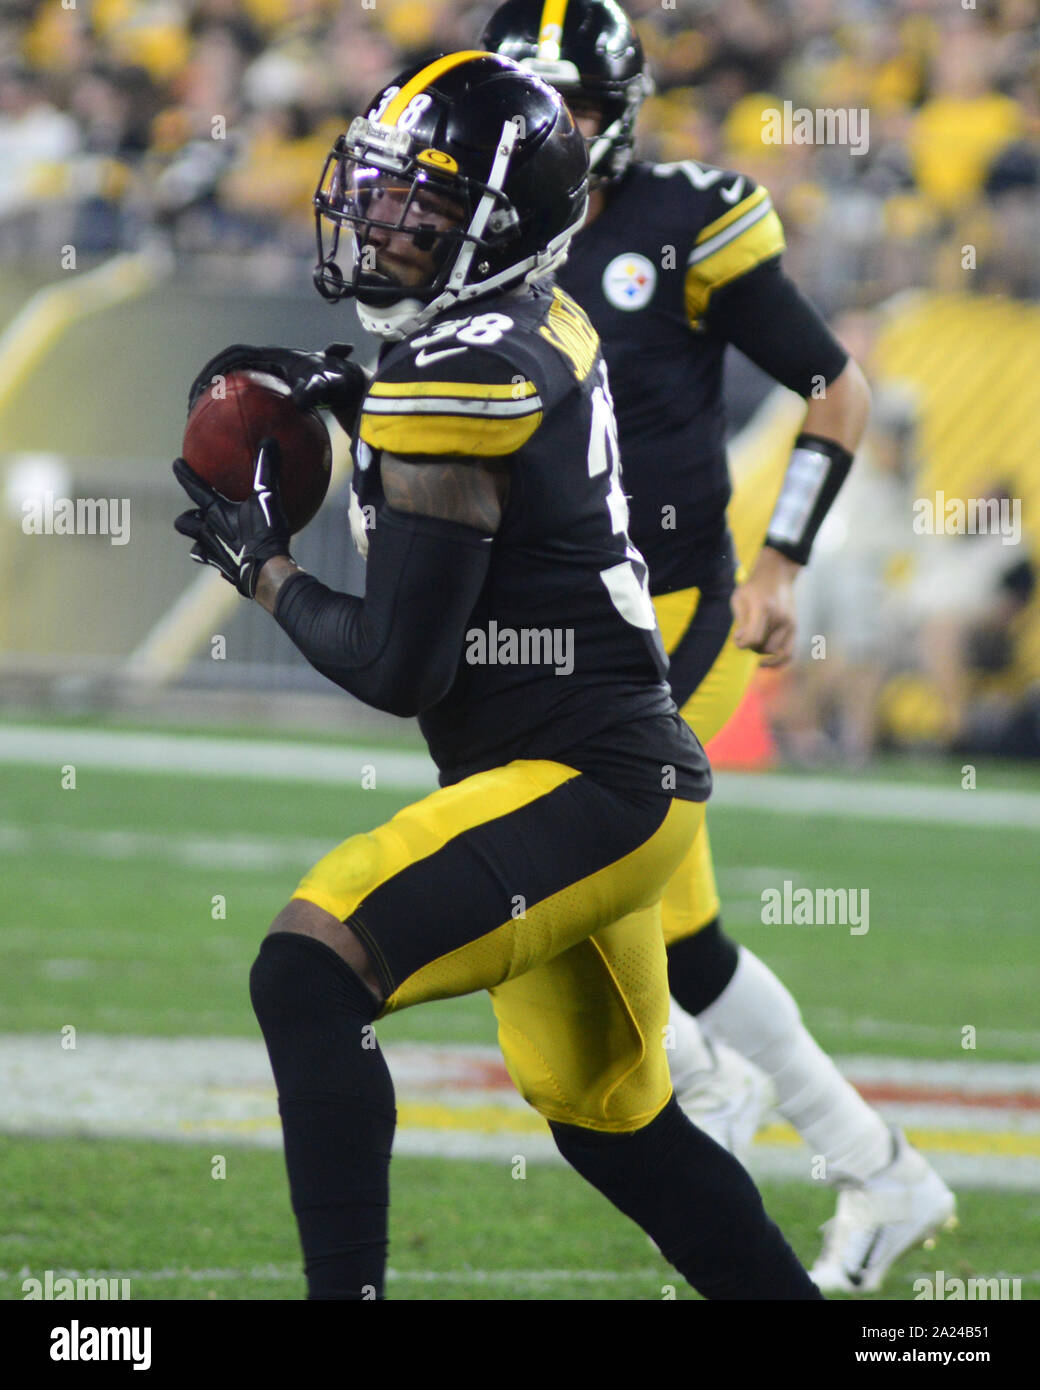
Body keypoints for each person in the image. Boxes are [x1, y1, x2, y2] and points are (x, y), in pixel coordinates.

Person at [173, 51, 822, 1300]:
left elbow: (398, 666)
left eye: (419, 206)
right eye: (376, 192)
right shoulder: (537, 317)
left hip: (579, 778)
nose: (378, 222)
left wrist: (260, 570)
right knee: (611, 1122)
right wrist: (354, 394)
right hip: (609, 776)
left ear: (496, 225)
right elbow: (474, 429)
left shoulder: (461, 378)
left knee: (308, 969)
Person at [481, 0, 955, 1293]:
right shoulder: (483, 228)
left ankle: (720, 1084)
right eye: (534, 105)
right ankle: (875, 1163)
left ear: (620, 105)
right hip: (547, 615)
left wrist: (785, 558)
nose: (553, 133)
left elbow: (835, 385)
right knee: (678, 937)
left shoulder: (683, 214)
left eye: (574, 106)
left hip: (671, 610)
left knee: (562, 852)